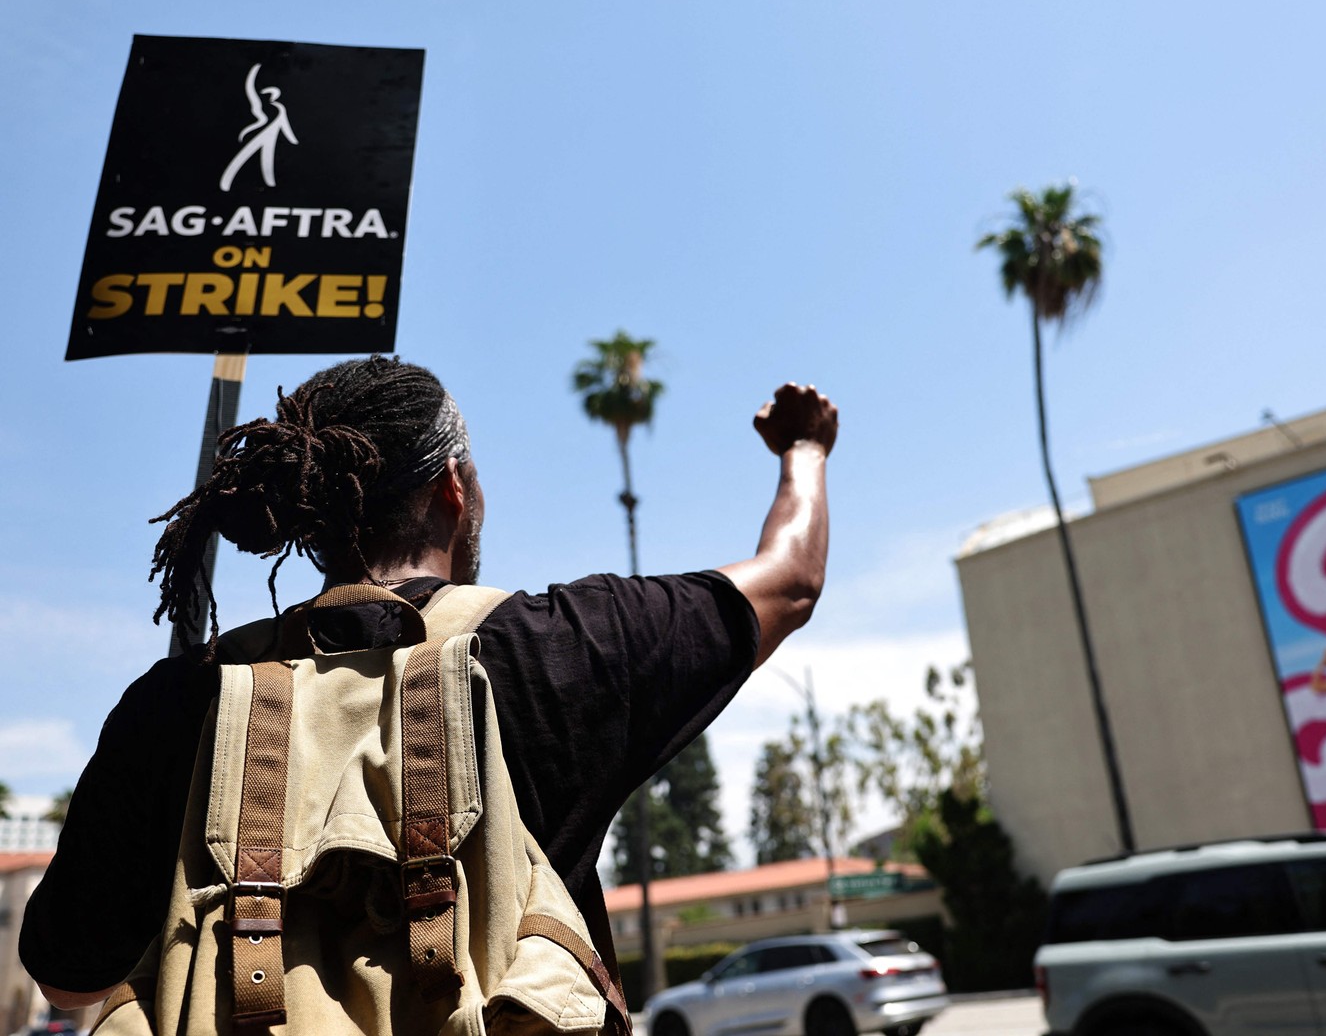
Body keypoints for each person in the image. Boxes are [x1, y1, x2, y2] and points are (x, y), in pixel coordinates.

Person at [21, 355, 838, 1011]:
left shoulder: (180, 698)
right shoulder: (561, 646)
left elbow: (69, 980)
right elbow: (788, 580)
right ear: (456, 489)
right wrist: (804, 449)